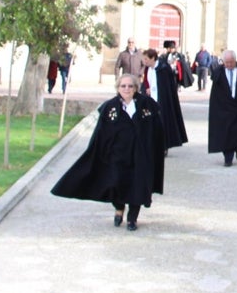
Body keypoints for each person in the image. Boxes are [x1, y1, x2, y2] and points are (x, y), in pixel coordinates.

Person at [51, 74, 165, 232]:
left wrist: (156, 150)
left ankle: (132, 218)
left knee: (138, 185)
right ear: (118, 88)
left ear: (136, 88)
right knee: (115, 183)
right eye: (123, 86)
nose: (126, 89)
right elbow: (101, 133)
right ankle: (119, 208)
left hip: (141, 155)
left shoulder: (147, 105)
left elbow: (157, 130)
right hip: (117, 155)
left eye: (130, 86)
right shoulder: (110, 107)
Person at [141, 48, 188, 150]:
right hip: (151, 100)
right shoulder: (147, 69)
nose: (144, 61)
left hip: (162, 100)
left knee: (162, 123)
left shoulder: (163, 68)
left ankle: (164, 145)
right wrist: (147, 88)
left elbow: (167, 86)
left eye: (146, 59)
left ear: (152, 58)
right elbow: (146, 82)